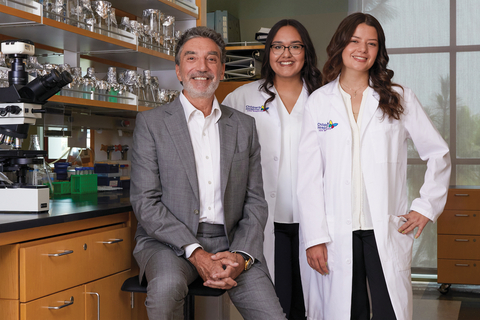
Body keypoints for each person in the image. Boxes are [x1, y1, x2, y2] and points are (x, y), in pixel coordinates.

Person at [296, 13, 451, 320]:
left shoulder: (397, 98)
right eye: (354, 41)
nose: (362, 49)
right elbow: (308, 178)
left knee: (388, 311)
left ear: (379, 51)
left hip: (385, 228)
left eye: (371, 43)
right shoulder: (319, 102)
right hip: (336, 232)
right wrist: (314, 237)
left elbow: (438, 153)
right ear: (341, 45)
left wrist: (426, 206)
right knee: (346, 312)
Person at [130, 26, 286, 320]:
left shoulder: (244, 126)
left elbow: (255, 202)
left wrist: (241, 256)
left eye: (211, 59)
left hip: (232, 243)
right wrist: (196, 253)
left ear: (222, 69)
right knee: (164, 292)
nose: (201, 68)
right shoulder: (152, 124)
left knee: (272, 316)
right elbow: (145, 202)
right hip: (168, 244)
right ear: (178, 70)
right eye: (191, 58)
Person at [223, 19, 322, 320]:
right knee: (275, 306)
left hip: (315, 223)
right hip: (266, 223)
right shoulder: (242, 97)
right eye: (278, 46)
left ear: (306, 52)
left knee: (313, 305)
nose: (286, 54)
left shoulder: (325, 98)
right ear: (267, 53)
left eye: (295, 46)